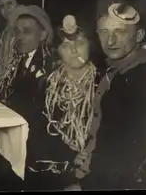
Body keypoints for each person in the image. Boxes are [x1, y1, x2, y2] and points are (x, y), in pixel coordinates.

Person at [68, 2, 146, 190]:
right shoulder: (116, 69)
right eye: (103, 32)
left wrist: (86, 186)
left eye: (120, 32)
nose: (110, 41)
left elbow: (127, 155)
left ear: (138, 36)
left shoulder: (139, 79)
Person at [24, 15, 102, 190]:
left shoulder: (103, 82)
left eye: (80, 44)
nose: (73, 51)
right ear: (57, 52)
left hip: (92, 167)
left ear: (90, 46)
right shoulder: (45, 85)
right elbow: (37, 133)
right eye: (66, 45)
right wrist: (70, 156)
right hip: (52, 166)